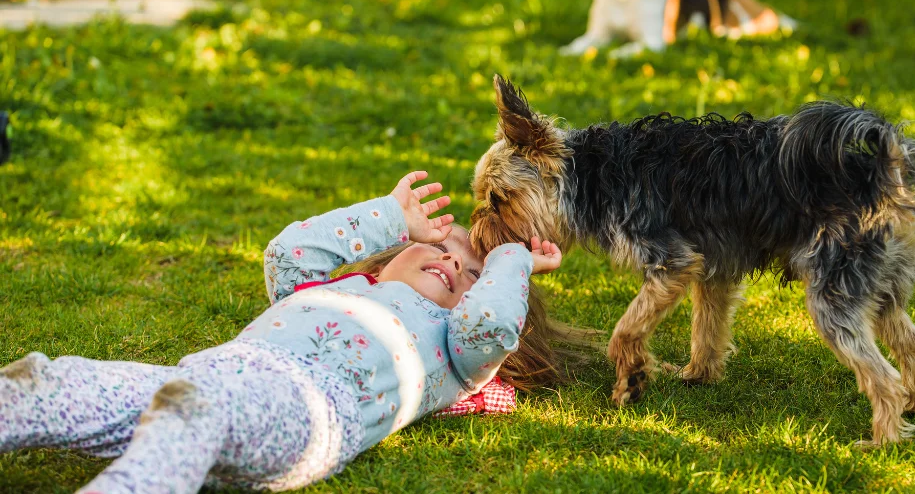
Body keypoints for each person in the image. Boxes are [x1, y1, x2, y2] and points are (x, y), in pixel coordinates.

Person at [0, 171, 565, 493]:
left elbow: (491, 322)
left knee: (195, 414)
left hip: (310, 410)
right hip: (204, 374)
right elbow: (287, 253)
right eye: (442, 247)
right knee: (51, 381)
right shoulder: (334, 288)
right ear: (388, 259)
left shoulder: (456, 350)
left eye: (473, 274)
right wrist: (391, 215)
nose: (452, 265)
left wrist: (511, 263)